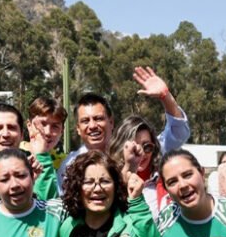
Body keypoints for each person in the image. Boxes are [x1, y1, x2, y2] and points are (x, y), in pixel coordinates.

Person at [58, 67, 190, 187]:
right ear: (77, 128)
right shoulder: (70, 165)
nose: (92, 126)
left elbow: (178, 133)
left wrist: (165, 96)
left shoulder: (139, 150)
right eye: (85, 121)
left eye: (98, 118)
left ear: (111, 122)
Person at [0, 104, 57, 207]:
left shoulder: (39, 167)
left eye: (12, 127)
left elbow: (51, 213)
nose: (5, 134)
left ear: (21, 134)